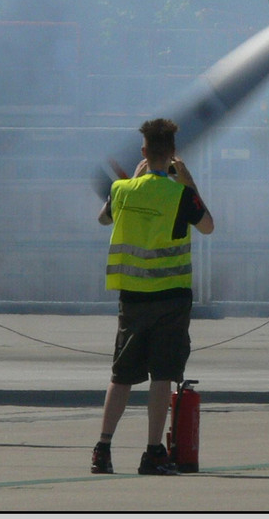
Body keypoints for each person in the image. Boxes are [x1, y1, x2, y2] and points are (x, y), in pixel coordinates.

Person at [91, 117, 214, 475]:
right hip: (170, 299)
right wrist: (189, 183)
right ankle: (153, 452)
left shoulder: (122, 191)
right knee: (162, 375)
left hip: (132, 298)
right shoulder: (180, 195)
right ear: (174, 154)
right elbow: (208, 226)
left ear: (144, 151)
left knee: (121, 376)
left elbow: (104, 220)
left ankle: (103, 448)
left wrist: (130, 182)